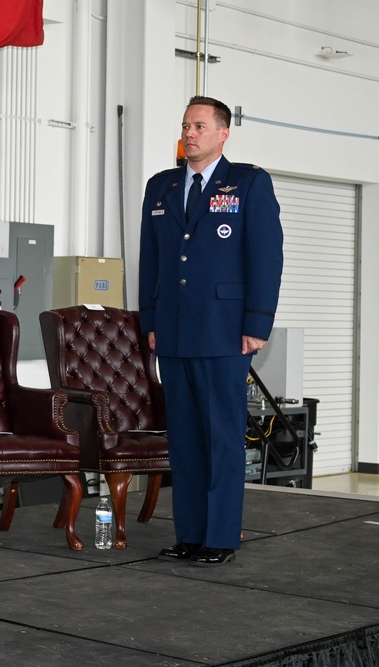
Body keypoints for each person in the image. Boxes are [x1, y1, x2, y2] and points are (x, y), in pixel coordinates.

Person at [138, 96, 283, 567]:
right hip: (175, 332)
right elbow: (152, 262)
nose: (190, 133)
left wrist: (257, 323)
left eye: (200, 125)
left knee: (222, 436)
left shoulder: (248, 183)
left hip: (226, 333)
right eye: (185, 125)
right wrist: (151, 320)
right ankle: (191, 534)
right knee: (183, 438)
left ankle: (220, 536)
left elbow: (266, 257)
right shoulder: (160, 187)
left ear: (223, 133)